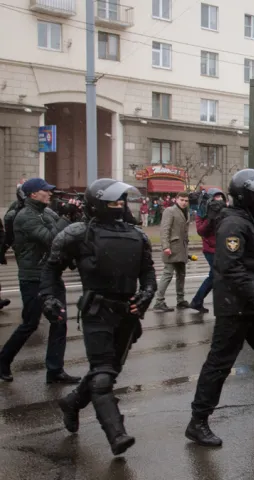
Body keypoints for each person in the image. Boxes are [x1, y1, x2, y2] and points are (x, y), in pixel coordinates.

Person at [41, 178, 157, 455]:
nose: (118, 206)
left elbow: (148, 273)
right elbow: (50, 267)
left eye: (121, 201)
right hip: (97, 311)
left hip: (127, 314)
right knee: (103, 377)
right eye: (112, 201)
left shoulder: (137, 235)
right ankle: (117, 434)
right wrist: (48, 297)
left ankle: (71, 403)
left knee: (106, 372)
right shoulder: (78, 233)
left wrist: (145, 296)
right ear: (97, 203)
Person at [186, 168, 254, 447]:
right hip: (235, 308)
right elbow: (230, 267)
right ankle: (198, 422)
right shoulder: (233, 224)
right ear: (245, 194)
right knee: (219, 364)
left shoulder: (248, 219)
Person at [0, 178, 80, 384]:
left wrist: (75, 215)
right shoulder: (25, 217)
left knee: (59, 321)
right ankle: (3, 360)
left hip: (51, 275)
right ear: (33, 194)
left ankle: (55, 370)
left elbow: (67, 235)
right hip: (33, 277)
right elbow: (53, 239)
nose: (50, 194)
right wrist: (65, 215)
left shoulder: (46, 212)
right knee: (30, 323)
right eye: (46, 191)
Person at [189, 189, 227, 313]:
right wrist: (210, 219)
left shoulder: (224, 210)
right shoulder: (202, 211)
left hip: (222, 247)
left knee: (216, 276)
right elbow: (201, 231)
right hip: (210, 249)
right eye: (216, 198)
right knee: (216, 276)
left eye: (221, 198)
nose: (219, 201)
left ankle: (197, 301)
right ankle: (199, 301)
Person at [153, 192, 191, 312]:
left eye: (186, 200)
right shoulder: (170, 210)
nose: (184, 202)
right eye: (182, 200)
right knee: (167, 274)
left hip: (182, 248)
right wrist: (165, 246)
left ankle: (180, 300)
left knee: (181, 275)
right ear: (176, 199)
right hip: (171, 248)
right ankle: (159, 301)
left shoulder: (186, 212)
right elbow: (165, 229)